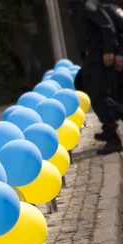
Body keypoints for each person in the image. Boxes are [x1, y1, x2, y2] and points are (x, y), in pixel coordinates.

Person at [69, 0, 122, 154]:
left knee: (100, 96)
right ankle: (110, 129)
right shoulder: (74, 5)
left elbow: (107, 26)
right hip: (89, 58)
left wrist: (108, 51)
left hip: (98, 57)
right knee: (96, 96)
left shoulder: (87, 4)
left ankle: (112, 136)